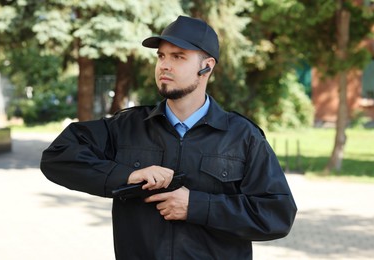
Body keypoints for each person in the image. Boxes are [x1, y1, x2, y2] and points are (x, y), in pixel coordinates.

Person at [41, 15, 297, 260]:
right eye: (161, 56)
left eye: (178, 57)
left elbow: (277, 215)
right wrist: (128, 175)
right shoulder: (127, 126)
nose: (164, 65)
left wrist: (196, 205)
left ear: (206, 67)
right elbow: (58, 156)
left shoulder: (242, 136)